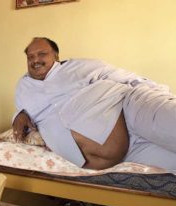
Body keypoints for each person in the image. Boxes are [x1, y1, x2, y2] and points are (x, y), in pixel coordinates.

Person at [13, 37, 176, 172]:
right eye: (30, 57)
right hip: (130, 153)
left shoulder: (80, 66)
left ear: (55, 55)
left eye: (42, 54)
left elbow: (127, 77)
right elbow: (23, 111)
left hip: (129, 109)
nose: (35, 60)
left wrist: (158, 96)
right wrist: (18, 115)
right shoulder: (23, 87)